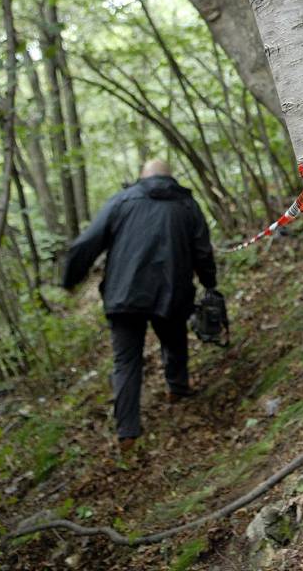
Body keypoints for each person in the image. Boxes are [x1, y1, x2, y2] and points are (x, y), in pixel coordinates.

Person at [62, 159, 219, 452]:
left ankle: (128, 432)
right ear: (169, 177)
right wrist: (209, 282)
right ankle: (177, 388)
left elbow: (87, 242)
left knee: (126, 361)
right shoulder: (186, 204)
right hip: (172, 290)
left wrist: (70, 278)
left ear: (141, 177)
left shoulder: (121, 201)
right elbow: (202, 249)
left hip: (124, 295)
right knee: (174, 340)